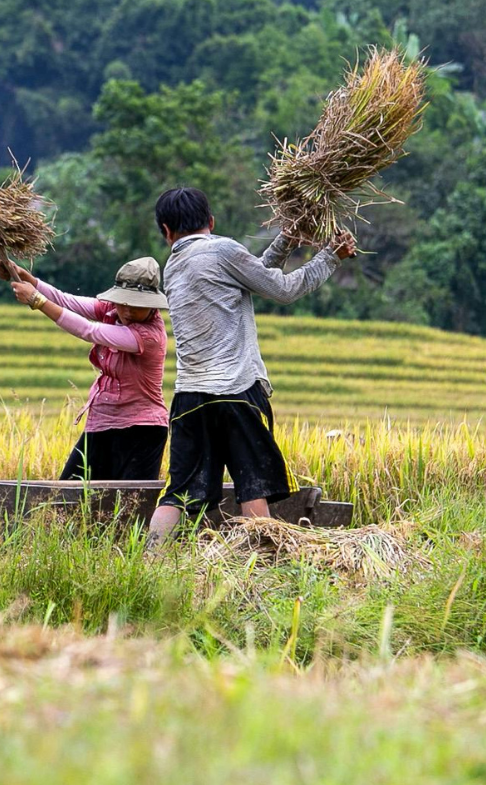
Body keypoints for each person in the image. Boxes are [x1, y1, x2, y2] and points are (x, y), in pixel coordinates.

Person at [144, 187, 355, 550]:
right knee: (251, 483)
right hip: (236, 393)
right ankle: (261, 567)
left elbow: (250, 274)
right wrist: (330, 257)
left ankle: (148, 559)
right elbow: (284, 289)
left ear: (166, 231)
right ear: (211, 221)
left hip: (189, 398)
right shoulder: (223, 249)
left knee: (178, 492)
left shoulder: (174, 266)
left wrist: (287, 239)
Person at [0, 255, 171, 481]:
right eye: (124, 303)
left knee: (130, 506)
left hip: (141, 429)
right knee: (69, 496)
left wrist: (37, 301)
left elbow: (89, 330)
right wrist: (29, 279)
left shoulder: (149, 336)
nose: (128, 311)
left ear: (151, 305)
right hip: (103, 420)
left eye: (137, 306)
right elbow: (67, 301)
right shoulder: (111, 310)